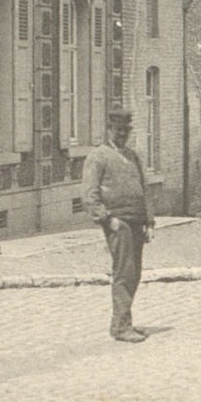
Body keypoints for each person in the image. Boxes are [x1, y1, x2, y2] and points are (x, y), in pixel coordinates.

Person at [83, 109, 154, 342]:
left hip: (136, 222)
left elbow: (144, 190)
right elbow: (89, 195)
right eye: (118, 130)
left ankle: (123, 322)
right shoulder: (98, 156)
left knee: (134, 274)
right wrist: (107, 219)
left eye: (126, 130)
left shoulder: (133, 156)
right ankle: (122, 326)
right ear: (109, 130)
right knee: (124, 273)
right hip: (118, 222)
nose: (122, 134)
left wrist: (149, 221)